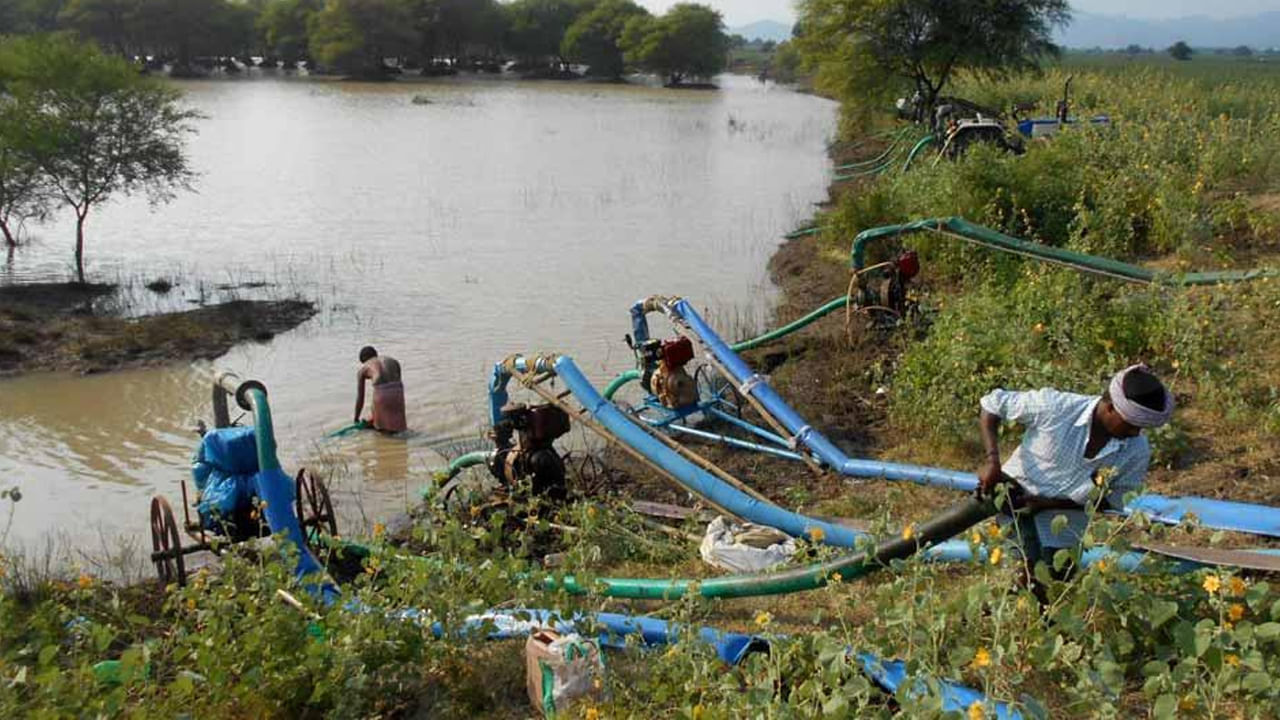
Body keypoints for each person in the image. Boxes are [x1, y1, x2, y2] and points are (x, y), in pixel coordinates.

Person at [976, 364, 1174, 602]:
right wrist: (992, 462)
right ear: (1110, 407)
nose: (1135, 433)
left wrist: (1048, 504)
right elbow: (992, 405)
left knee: (1056, 591)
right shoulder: (1056, 408)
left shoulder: (1136, 449)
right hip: (1011, 501)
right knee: (1022, 578)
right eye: (1131, 425)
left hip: (1066, 525)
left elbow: (1116, 499)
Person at [354, 346, 406, 433]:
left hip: (381, 393)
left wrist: (356, 418)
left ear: (364, 359)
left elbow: (360, 397)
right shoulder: (393, 361)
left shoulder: (363, 369)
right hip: (398, 391)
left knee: (381, 429)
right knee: (400, 428)